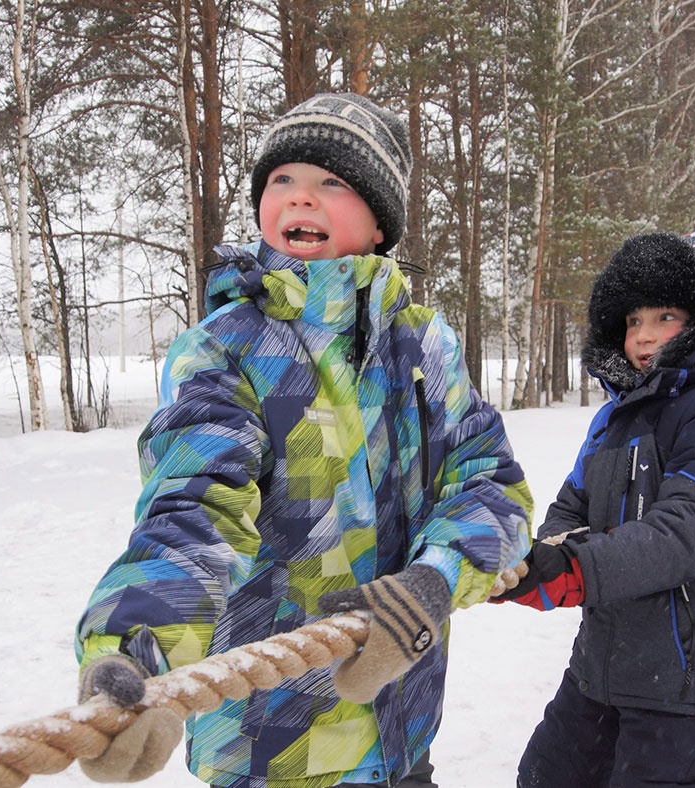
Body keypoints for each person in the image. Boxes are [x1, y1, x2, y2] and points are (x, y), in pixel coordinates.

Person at [72, 93, 534, 788]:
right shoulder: (228, 349)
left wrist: (433, 580)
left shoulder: (425, 347)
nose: (301, 198)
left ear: (381, 223)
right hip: (273, 750)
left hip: (404, 732)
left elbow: (491, 486)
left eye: (332, 183)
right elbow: (195, 507)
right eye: (281, 180)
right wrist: (142, 655)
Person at [495, 231, 695, 788]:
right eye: (633, 321)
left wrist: (576, 569)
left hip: (687, 683)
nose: (644, 336)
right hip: (602, 664)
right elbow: (570, 509)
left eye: (666, 317)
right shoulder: (617, 419)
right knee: (543, 776)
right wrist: (538, 561)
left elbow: (687, 532)